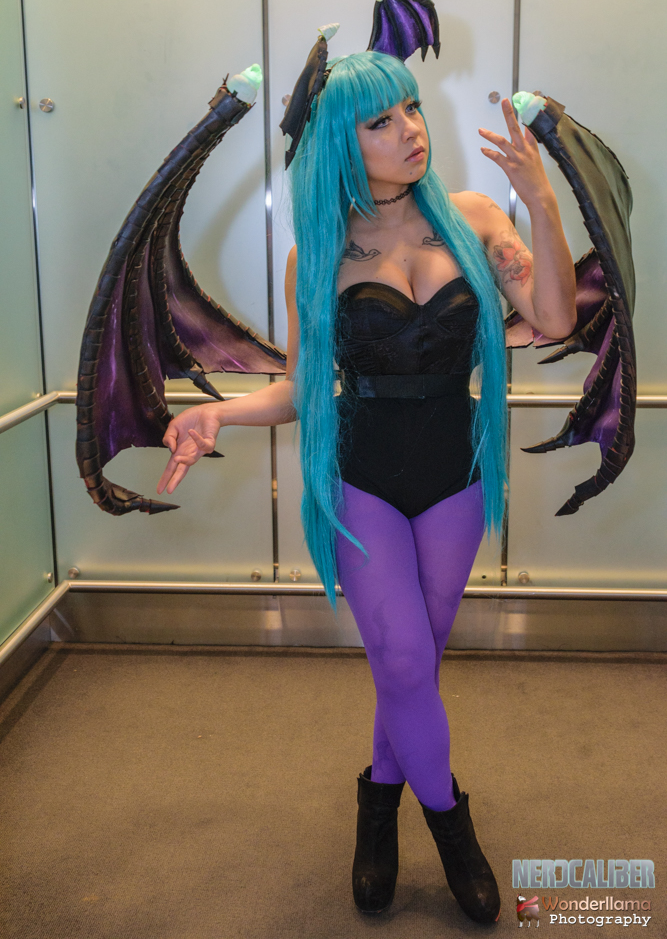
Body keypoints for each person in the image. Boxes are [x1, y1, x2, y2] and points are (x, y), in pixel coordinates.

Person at [156, 51, 576, 925]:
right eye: (380, 121)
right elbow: (300, 391)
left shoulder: (473, 219)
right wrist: (219, 414)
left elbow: (552, 318)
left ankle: (376, 805)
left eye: (411, 109)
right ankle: (453, 832)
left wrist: (538, 200)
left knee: (409, 663)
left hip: (457, 471)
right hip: (361, 476)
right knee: (405, 661)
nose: (410, 130)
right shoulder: (317, 252)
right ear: (340, 144)